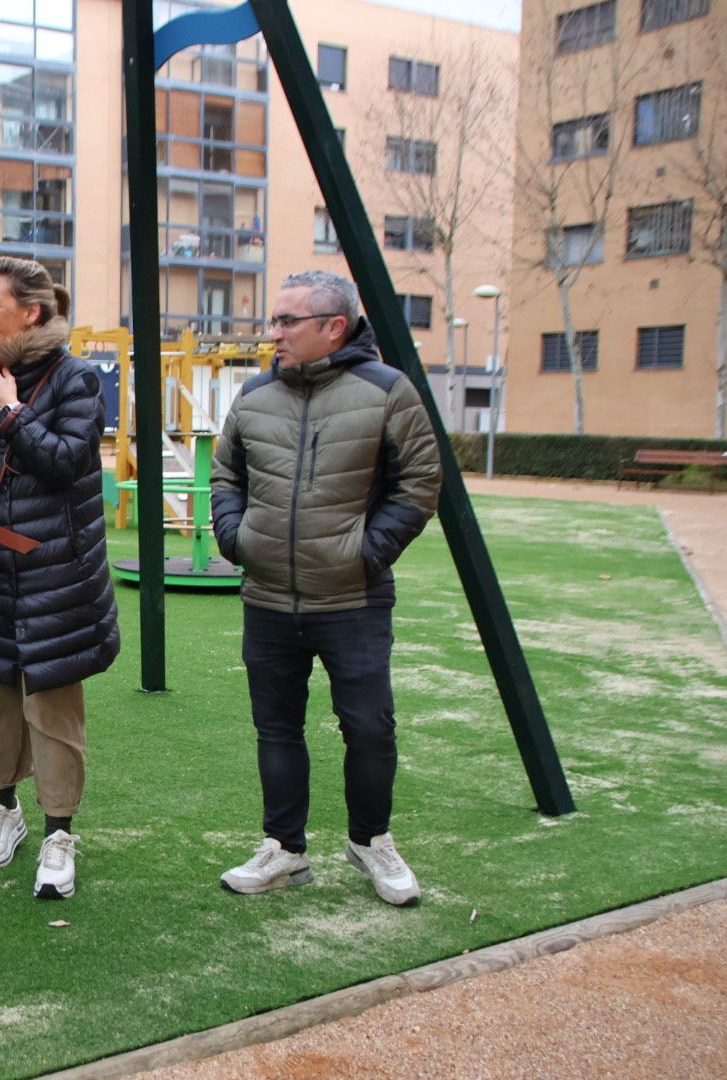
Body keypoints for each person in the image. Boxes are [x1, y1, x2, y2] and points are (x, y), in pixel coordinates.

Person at [211, 269, 441, 907]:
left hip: (352, 600)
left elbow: (420, 482)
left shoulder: (387, 391)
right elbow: (226, 472)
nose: (273, 332)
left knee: (369, 728)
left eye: (287, 321)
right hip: (268, 600)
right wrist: (237, 538)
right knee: (276, 728)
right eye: (275, 319)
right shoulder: (255, 396)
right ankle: (284, 849)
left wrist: (366, 554)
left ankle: (371, 842)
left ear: (333, 327)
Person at [0, 256, 120, 900]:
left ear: (31, 313)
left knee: (50, 708)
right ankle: (4, 811)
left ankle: (58, 834)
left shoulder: (76, 380)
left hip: (58, 579)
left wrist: (11, 410)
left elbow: (69, 464)